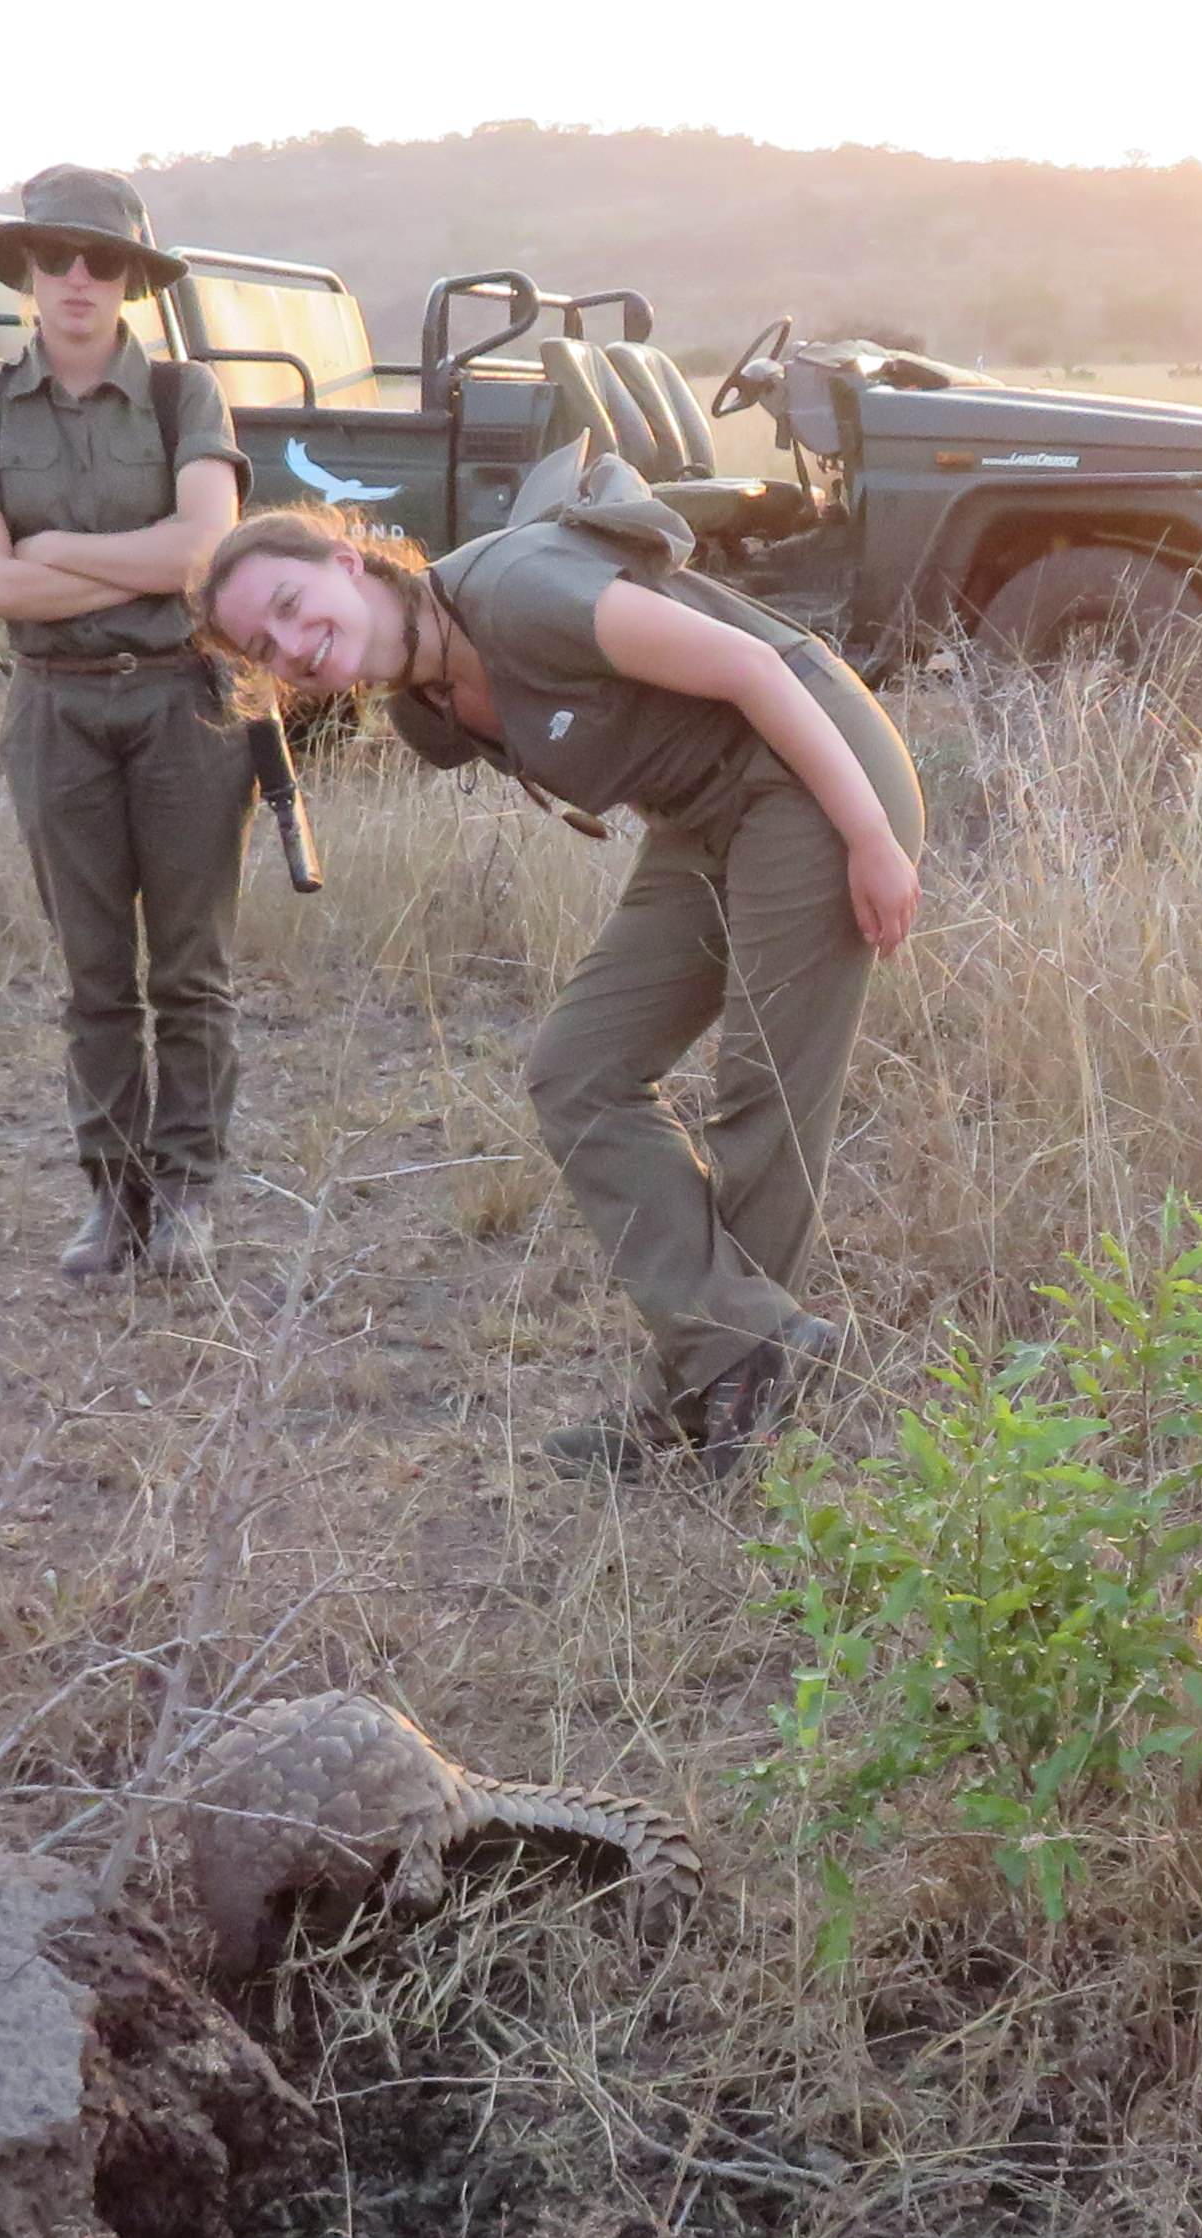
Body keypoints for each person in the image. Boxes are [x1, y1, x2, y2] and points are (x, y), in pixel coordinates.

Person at [196, 443, 925, 1475]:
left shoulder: (524, 596)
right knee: (579, 1068)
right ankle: (735, 1363)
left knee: (765, 1085)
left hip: (815, 775)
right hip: (705, 818)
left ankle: (729, 1409)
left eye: (288, 601)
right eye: (261, 645)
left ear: (346, 562)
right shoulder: (425, 712)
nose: (290, 642)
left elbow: (756, 667)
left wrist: (872, 839)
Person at [0, 167, 253, 1279]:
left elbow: (204, 554)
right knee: (94, 974)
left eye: (101, 259)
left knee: (191, 969)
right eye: (56, 256)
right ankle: (115, 1197)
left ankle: (190, 1193)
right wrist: (132, 565)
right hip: (55, 707)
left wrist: (55, 551)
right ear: (24, 267)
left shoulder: (184, 396)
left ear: (130, 279)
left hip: (181, 698)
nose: (77, 278)